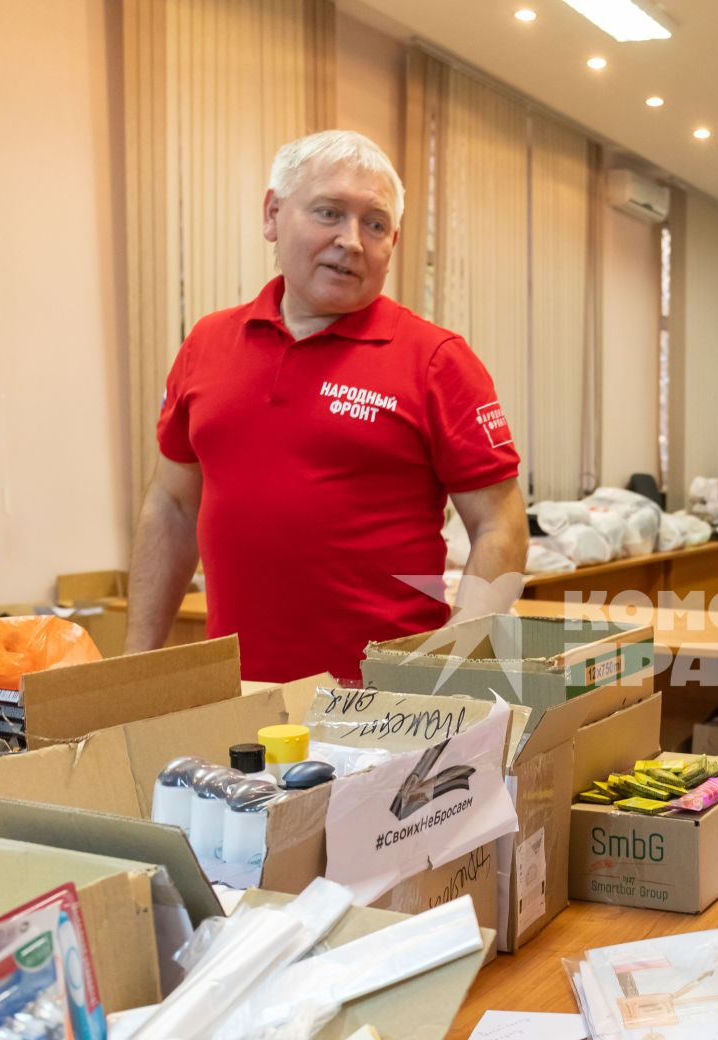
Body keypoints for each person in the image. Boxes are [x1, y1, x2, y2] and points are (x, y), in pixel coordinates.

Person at [126, 130, 528, 682]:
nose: (352, 241)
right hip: (237, 695)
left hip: (382, 704)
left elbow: (501, 525)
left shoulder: (436, 360)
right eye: (329, 212)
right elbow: (171, 506)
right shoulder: (207, 344)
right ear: (272, 214)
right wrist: (134, 667)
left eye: (375, 224)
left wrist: (450, 674)